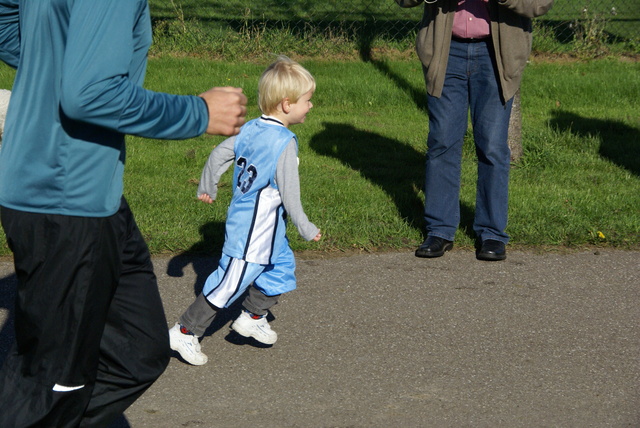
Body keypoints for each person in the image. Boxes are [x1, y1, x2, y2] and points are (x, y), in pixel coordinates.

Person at [0, 1, 247, 427]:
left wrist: (63, 58)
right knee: (54, 388)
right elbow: (91, 94)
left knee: (136, 353)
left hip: (91, 196)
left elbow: (6, 23)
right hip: (64, 200)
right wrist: (198, 112)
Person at [169, 55, 322, 366]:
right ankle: (185, 330)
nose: (311, 106)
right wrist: (305, 226)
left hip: (271, 228)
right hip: (252, 231)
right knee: (228, 284)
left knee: (280, 269)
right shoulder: (284, 143)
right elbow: (290, 194)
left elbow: (219, 154)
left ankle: (252, 317)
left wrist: (208, 186)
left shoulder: (252, 128)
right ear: (287, 104)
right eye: (308, 100)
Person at [396, 0, 553, 261]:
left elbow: (540, 4)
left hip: (497, 55)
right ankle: (440, 230)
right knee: (442, 142)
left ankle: (492, 233)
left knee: (492, 146)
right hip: (446, 52)